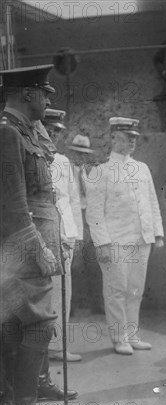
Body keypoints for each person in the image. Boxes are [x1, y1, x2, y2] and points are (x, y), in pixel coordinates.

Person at [0, 64, 64, 405]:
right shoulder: (8, 133)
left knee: (17, 327)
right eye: (44, 92)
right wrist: (39, 248)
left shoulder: (27, 132)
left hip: (31, 249)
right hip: (22, 253)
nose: (47, 98)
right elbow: (13, 203)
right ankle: (23, 402)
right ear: (27, 94)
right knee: (38, 326)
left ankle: (17, 399)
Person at [86, 117, 164, 355]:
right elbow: (95, 212)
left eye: (134, 138)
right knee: (116, 290)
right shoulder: (101, 171)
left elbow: (151, 201)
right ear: (112, 138)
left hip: (141, 239)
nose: (132, 141)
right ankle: (119, 338)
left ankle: (132, 334)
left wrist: (157, 233)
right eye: (126, 137)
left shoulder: (142, 168)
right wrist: (102, 243)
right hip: (116, 241)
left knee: (135, 290)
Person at [39, 110, 83, 364]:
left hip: (64, 238)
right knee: (41, 296)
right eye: (49, 130)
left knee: (62, 294)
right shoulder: (28, 157)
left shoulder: (63, 162)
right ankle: (39, 351)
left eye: (57, 132)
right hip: (40, 238)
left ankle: (57, 346)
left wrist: (74, 235)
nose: (53, 136)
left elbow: (73, 201)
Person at [66, 134, 104, 316]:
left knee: (95, 263)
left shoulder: (89, 172)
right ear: (71, 152)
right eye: (77, 153)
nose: (80, 157)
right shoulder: (65, 171)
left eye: (84, 154)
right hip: (73, 221)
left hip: (89, 220)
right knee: (75, 265)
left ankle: (97, 304)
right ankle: (71, 307)